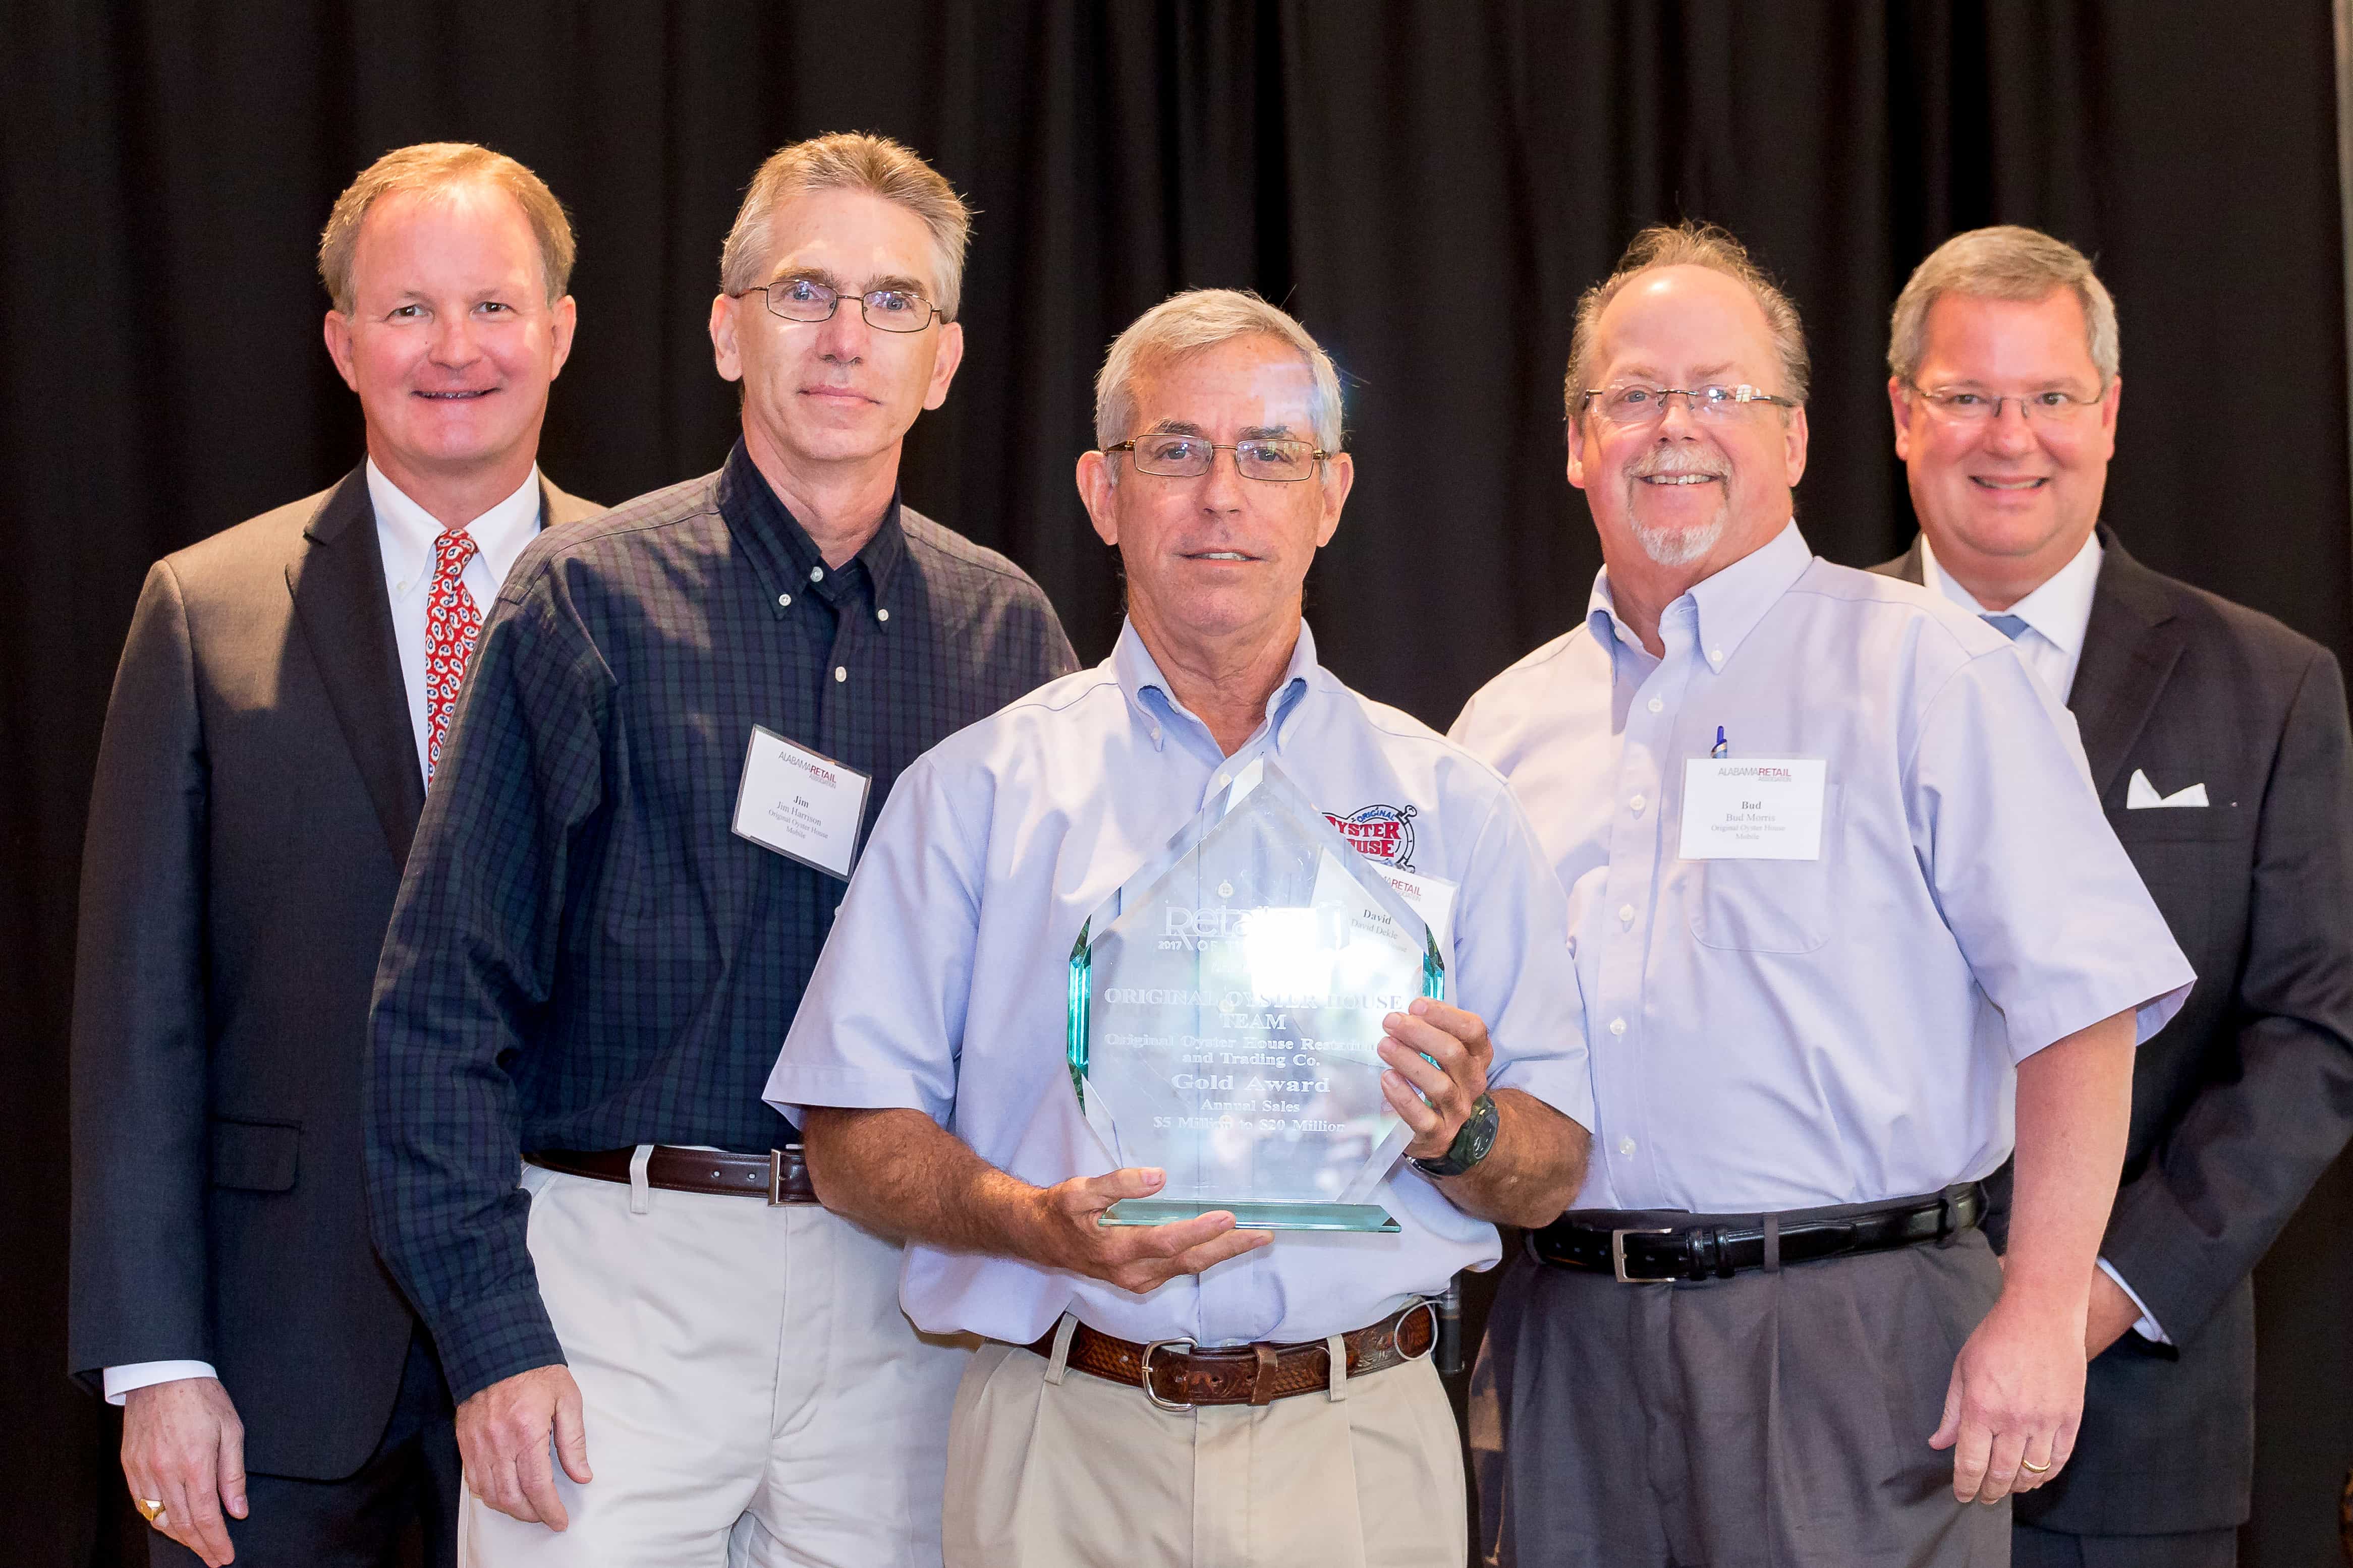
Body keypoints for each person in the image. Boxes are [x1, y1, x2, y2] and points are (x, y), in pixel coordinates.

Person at [766, 287, 1594, 1568]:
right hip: (1061, 1443)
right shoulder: (975, 794)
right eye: (1177, 450)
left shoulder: (1450, 801)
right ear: (1103, 493)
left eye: (1270, 454)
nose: (1222, 494)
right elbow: (849, 1136)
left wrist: (1461, 1126)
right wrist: (1028, 1219)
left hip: (1357, 1448)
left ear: (1331, 495)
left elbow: (1551, 1165)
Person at [365, 132, 1074, 1567]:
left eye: (892, 303)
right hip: (620, 1284)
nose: (843, 336)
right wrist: (492, 1340)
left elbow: (1062, 1004)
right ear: (725, 325)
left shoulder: (1009, 638)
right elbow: (439, 1011)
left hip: (902, 1302)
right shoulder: (584, 605)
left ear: (942, 360)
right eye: (805, 289)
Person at [1450, 222, 2196, 1568]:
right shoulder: (1500, 728)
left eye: (1724, 391)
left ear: (1796, 438)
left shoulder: (1931, 670)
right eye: (1632, 394)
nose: (1677, 426)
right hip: (1568, 1344)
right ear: (1576, 443)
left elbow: (2083, 1012)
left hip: (1859, 1344)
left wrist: (2039, 1309)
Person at [69, 142, 596, 1568]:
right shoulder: (203, 609)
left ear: (558, 330)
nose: (454, 350)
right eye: (408, 310)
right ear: (341, 342)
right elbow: (138, 1018)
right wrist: (153, 1357)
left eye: (493, 306)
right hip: (272, 1363)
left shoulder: (654, 609)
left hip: (590, 1336)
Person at [1875, 224, 2353, 1568]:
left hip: (2134, 1414)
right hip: (1835, 1395)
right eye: (1968, 395)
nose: (2010, 436)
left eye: (2050, 397)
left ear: (2112, 413)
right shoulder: (1798, 674)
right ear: (1903, 412)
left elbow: (2316, 1034)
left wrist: (2081, 1299)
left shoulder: (2271, 687)